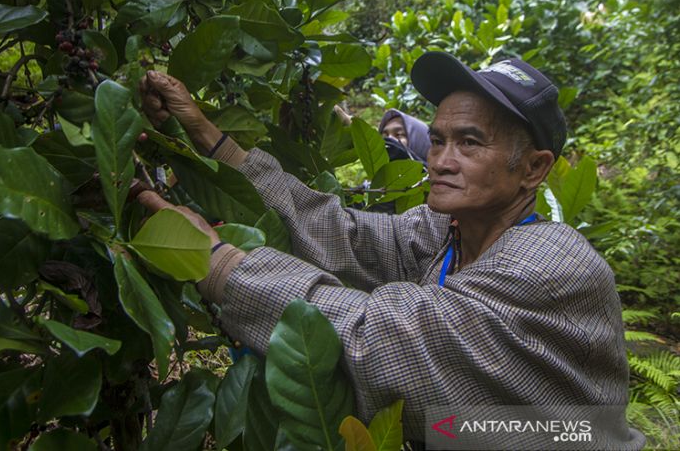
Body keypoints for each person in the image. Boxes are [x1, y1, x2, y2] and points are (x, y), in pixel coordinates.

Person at [136, 52, 644, 449]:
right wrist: (206, 134)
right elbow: (339, 232)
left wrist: (214, 258)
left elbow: (379, 342)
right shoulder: (449, 231)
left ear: (533, 168)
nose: (441, 160)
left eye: (469, 143)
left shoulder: (551, 263)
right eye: (439, 139)